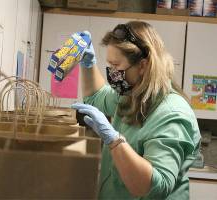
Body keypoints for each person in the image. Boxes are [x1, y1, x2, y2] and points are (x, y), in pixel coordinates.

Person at [71, 21, 201, 199]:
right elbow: (96, 98)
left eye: (116, 65)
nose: (112, 73)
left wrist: (116, 142)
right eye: (109, 65)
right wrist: (88, 64)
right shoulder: (130, 94)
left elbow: (155, 186)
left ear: (143, 65)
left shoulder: (172, 113)